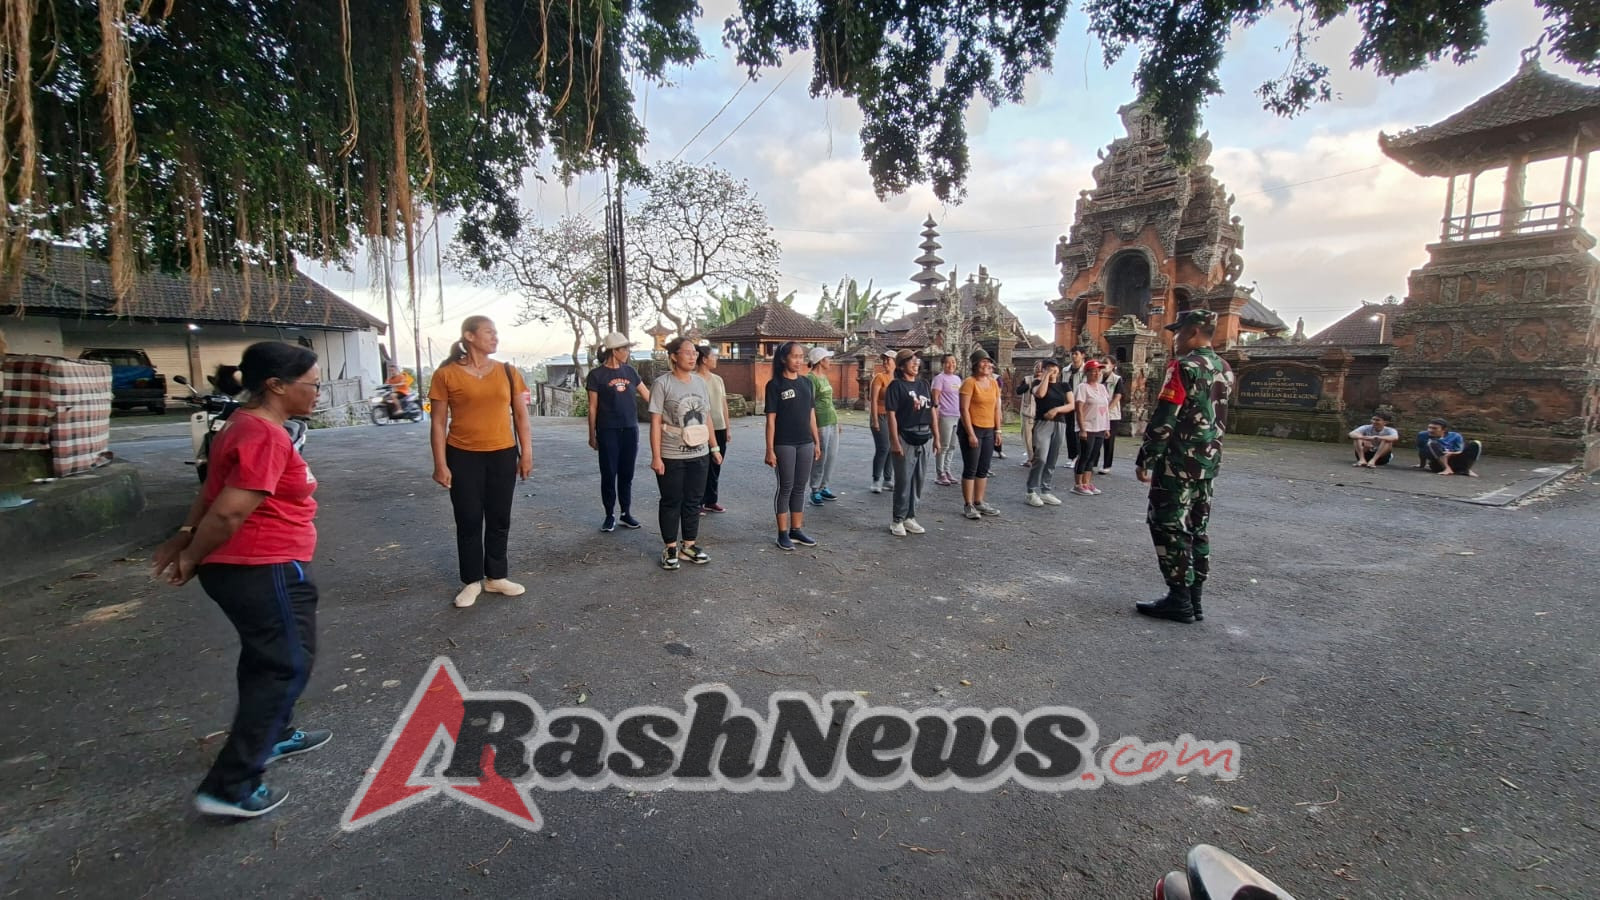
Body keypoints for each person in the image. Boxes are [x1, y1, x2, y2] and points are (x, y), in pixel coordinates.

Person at [152, 343, 329, 818]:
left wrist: (187, 537)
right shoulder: (265, 435)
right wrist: (191, 553)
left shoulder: (242, 424)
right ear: (276, 385)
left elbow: (210, 489)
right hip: (262, 566)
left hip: (254, 566)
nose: (317, 392)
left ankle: (275, 731)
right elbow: (228, 510)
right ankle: (232, 783)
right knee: (284, 664)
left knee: (267, 658)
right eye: (311, 384)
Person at [1134, 310, 1233, 625]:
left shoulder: (1184, 366)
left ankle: (1178, 597)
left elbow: (1166, 416)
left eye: (1177, 332)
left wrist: (1147, 457)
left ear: (1192, 332)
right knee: (1197, 528)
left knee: (1166, 525)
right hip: (1208, 462)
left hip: (1178, 462)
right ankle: (1195, 598)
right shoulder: (1224, 367)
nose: (1173, 338)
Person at [429, 316, 533, 609]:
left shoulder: (508, 372)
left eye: (496, 332)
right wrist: (440, 463)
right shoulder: (446, 374)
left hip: (502, 453)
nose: (495, 337)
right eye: (489, 332)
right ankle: (471, 581)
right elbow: (438, 423)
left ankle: (496, 576)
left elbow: (521, 416)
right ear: (469, 336)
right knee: (469, 518)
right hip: (462, 455)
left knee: (500, 517)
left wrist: (526, 453)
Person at [649, 337, 721, 570]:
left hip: (699, 452)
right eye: (687, 352)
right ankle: (670, 547)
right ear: (673, 356)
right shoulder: (663, 384)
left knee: (693, 501)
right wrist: (656, 456)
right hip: (671, 454)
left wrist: (714, 447)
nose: (693, 357)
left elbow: (707, 417)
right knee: (671, 501)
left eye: (695, 353)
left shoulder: (700, 383)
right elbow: (655, 421)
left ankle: (688, 545)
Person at [586, 332, 650, 531]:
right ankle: (609, 515)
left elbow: (647, 395)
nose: (628, 352)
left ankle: (625, 513)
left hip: (630, 429)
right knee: (609, 473)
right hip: (607, 430)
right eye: (625, 349)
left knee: (626, 473)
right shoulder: (597, 375)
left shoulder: (630, 371)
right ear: (615, 351)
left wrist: (665, 413)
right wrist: (592, 435)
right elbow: (593, 407)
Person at [765, 341, 822, 550]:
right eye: (794, 356)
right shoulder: (775, 385)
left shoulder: (807, 383)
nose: (798, 360)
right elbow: (771, 420)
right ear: (783, 359)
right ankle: (782, 533)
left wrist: (816, 441)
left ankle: (796, 530)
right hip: (784, 444)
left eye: (801, 356)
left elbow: (811, 415)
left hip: (805, 442)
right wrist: (769, 449)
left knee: (800, 487)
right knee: (786, 487)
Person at [885, 349, 938, 536]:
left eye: (917, 360)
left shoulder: (923, 384)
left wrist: (936, 436)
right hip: (905, 436)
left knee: (919, 479)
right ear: (901, 366)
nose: (916, 363)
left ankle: (910, 516)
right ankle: (897, 518)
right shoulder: (896, 386)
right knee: (903, 480)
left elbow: (931, 410)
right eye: (910, 361)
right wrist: (895, 441)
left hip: (924, 436)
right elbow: (891, 415)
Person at [959, 350, 1003, 520]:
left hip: (988, 429)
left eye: (988, 362)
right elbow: (964, 410)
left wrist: (998, 430)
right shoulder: (969, 383)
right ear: (975, 365)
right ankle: (968, 504)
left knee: (983, 468)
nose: (986, 365)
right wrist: (970, 433)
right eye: (983, 362)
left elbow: (996, 408)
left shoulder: (993, 383)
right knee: (971, 467)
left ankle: (979, 501)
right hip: (972, 428)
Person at [1026, 358, 1071, 507]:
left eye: (1055, 367)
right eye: (1049, 367)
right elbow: (1041, 394)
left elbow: (1072, 405)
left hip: (1059, 423)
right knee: (1041, 457)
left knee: (1052, 458)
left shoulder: (1064, 385)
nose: (1053, 369)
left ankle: (1045, 490)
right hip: (1043, 423)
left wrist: (1057, 409)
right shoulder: (1036, 383)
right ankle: (1031, 490)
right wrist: (1045, 376)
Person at [696, 345, 731, 514]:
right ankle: (698, 501)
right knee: (702, 465)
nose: (716, 359)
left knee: (717, 464)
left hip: (719, 426)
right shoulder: (694, 379)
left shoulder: (718, 379)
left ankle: (711, 499)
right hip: (702, 428)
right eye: (713, 356)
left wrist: (728, 428)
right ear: (704, 359)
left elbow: (723, 404)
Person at [807, 347, 842, 506]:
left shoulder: (824, 377)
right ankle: (815, 489)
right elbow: (809, 406)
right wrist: (813, 429)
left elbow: (829, 401)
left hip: (831, 420)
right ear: (821, 361)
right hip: (820, 422)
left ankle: (824, 486)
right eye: (828, 358)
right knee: (820, 457)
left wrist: (837, 421)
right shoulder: (811, 379)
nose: (830, 361)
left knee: (831, 456)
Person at [1073, 360, 1112, 495]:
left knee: (1093, 456)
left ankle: (1087, 482)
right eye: (1094, 371)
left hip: (1100, 427)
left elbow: (1105, 409)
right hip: (1088, 427)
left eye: (1099, 371)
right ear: (1087, 373)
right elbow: (1079, 409)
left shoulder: (1102, 388)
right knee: (1085, 455)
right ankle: (1078, 483)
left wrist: (1107, 427)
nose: (1097, 374)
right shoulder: (1082, 388)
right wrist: (1082, 428)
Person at [931, 354, 963, 485]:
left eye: (953, 362)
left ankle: (947, 470)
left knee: (952, 446)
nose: (951, 365)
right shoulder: (939, 379)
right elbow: (935, 399)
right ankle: (940, 473)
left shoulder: (957, 379)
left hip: (956, 415)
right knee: (943, 445)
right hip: (944, 415)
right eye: (948, 362)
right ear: (943, 364)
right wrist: (936, 416)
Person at [868, 349, 896, 493]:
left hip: (894, 417)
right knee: (883, 447)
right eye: (884, 360)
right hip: (880, 414)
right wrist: (874, 420)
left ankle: (887, 479)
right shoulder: (879, 377)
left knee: (892, 447)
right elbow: (873, 400)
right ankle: (876, 479)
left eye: (888, 360)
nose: (885, 362)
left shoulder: (897, 379)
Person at [1416, 418, 1482, 476]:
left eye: (1434, 428)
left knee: (1476, 443)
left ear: (1444, 430)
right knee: (1432, 443)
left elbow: (1460, 451)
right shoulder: (1422, 435)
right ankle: (1447, 469)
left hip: (1455, 461)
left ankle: (1466, 469)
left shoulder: (1455, 436)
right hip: (1438, 465)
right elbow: (1422, 451)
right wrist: (1422, 465)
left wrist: (1451, 453)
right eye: (1429, 427)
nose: (1430, 430)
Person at [1100, 358, 1128, 473]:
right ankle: (1092, 462)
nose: (1103, 365)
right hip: (1097, 413)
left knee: (1108, 440)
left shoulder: (1117, 379)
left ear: (1113, 366)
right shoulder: (1098, 377)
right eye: (1102, 363)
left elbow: (1117, 396)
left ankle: (1107, 465)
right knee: (1096, 438)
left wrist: (1107, 410)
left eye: (1106, 363)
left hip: (1112, 414)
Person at [1061, 347, 1088, 462]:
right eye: (1072, 354)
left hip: (1082, 403)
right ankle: (1072, 457)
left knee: (1081, 429)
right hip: (1069, 403)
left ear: (1083, 355)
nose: (1073, 356)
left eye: (1076, 354)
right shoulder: (1065, 370)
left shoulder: (1086, 370)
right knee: (1070, 430)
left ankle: (1082, 456)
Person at [1015, 361, 1042, 468]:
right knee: (1027, 437)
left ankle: (1038, 458)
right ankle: (1031, 458)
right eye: (1037, 367)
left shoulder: (1046, 381)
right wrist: (1029, 385)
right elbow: (1018, 391)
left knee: (1039, 438)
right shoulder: (1027, 379)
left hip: (1041, 413)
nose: (1039, 369)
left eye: (1041, 367)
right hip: (1027, 412)